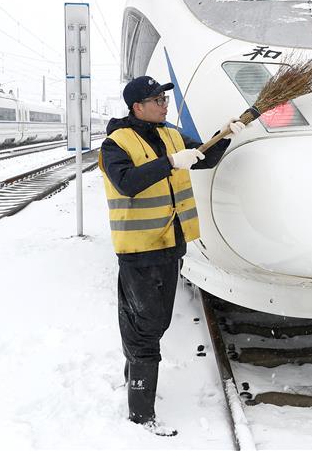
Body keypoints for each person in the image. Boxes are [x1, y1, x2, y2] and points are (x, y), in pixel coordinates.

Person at [100, 76, 244, 436]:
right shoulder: (115, 143)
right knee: (146, 328)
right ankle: (140, 413)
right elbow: (127, 182)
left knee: (149, 323)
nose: (165, 103)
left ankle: (134, 379)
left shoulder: (170, 134)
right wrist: (170, 163)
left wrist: (225, 134)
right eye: (156, 99)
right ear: (137, 107)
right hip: (139, 250)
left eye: (165, 97)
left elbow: (203, 158)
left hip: (170, 244)